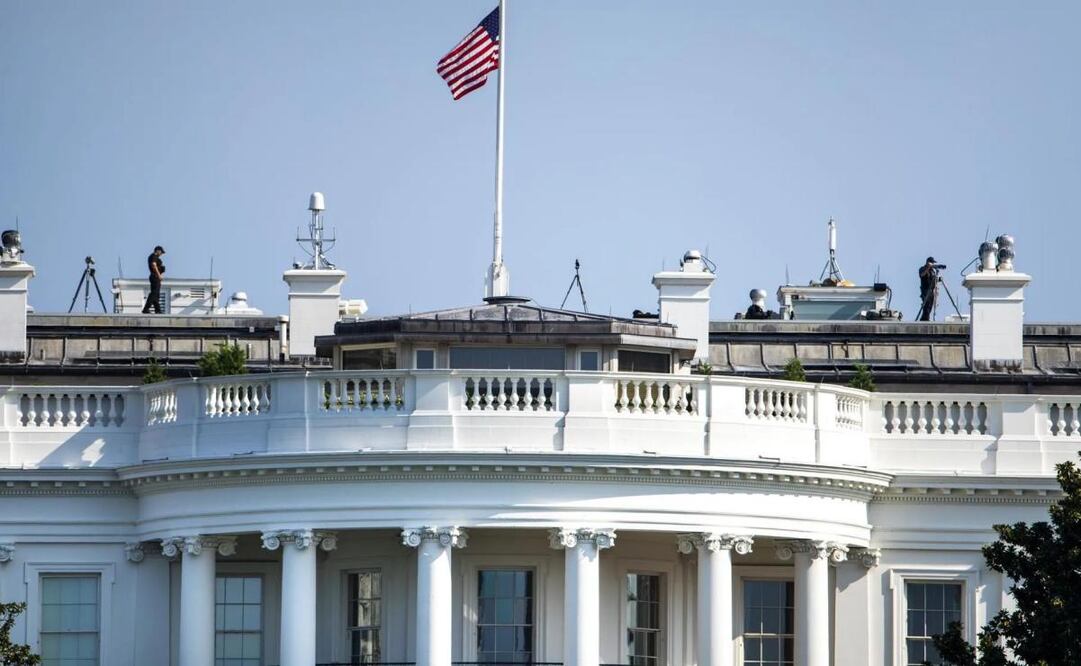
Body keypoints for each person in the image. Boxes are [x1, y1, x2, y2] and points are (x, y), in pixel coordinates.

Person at [141, 246, 166, 314]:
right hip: (155, 276)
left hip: (155, 276)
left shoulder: (155, 257)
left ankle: (158, 310)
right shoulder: (153, 256)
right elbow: (154, 265)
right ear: (157, 250)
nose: (161, 254)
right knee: (154, 293)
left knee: (156, 294)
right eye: (161, 252)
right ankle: (146, 309)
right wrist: (159, 275)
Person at [917, 256, 938, 321]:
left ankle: (926, 318)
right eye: (931, 263)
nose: (932, 264)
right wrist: (928, 268)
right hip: (925, 290)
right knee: (926, 305)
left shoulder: (933, 271)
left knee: (930, 306)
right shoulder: (922, 268)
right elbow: (922, 275)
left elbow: (934, 280)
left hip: (931, 291)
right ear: (928, 262)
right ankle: (924, 319)